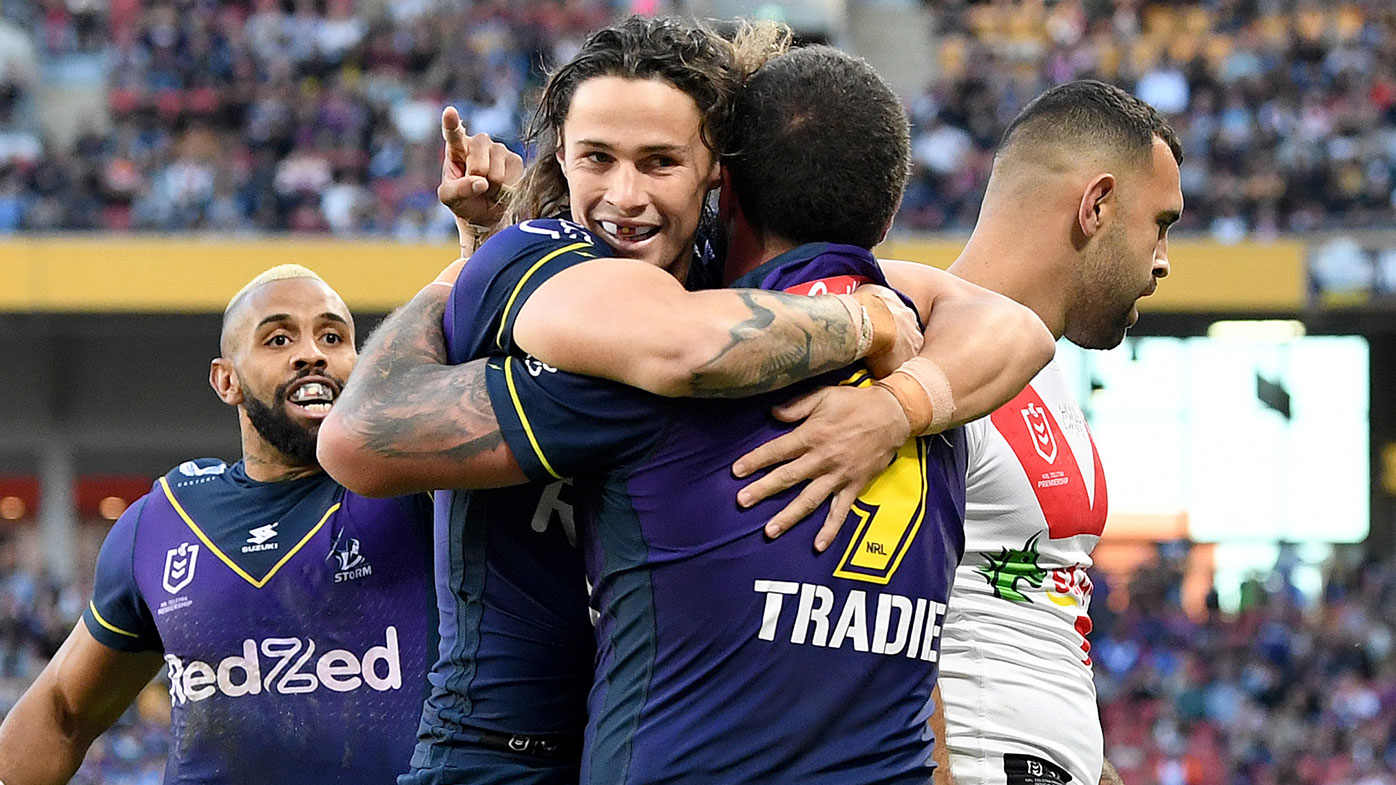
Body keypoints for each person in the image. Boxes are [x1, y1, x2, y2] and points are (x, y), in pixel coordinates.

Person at [318, 16, 1053, 785]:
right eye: (597, 159)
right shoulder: (539, 259)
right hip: (495, 756)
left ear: (717, 174)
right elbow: (678, 349)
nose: (624, 197)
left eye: (660, 161)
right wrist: (457, 280)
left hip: (624, 740)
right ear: (561, 158)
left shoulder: (733, 296)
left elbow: (1009, 324)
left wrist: (901, 401)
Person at [738, 79, 1185, 785]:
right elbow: (883, 619)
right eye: (1162, 223)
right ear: (1096, 205)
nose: (1163, 259)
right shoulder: (907, 344)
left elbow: (1044, 623)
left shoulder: (1039, 372)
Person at [0, 266, 436, 785]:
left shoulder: (418, 488)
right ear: (225, 380)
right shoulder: (161, 523)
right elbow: (62, 714)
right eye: (278, 338)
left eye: (333, 337)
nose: (312, 353)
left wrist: (474, 232)